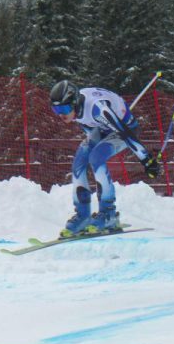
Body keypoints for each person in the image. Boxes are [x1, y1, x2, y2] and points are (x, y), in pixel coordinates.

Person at [49, 80, 161, 238]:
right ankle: (83, 216)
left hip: (125, 130)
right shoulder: (75, 110)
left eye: (64, 108)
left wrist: (147, 159)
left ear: (74, 103)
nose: (61, 114)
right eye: (56, 109)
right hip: (101, 129)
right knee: (79, 163)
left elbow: (124, 131)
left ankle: (109, 215)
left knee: (96, 157)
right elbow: (88, 126)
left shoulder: (98, 108)